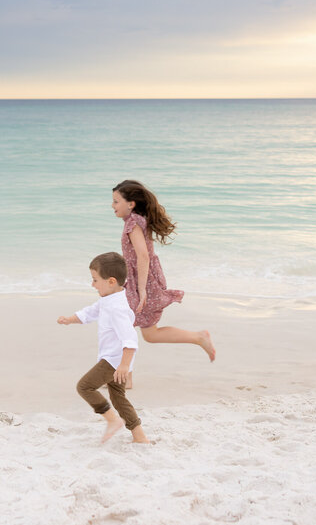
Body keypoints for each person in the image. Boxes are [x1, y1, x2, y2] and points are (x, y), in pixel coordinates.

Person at [112, 180, 215, 380]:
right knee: (149, 334)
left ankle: (125, 379)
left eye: (116, 201)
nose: (113, 206)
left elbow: (143, 255)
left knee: (122, 326)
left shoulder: (133, 223)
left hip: (142, 282)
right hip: (145, 279)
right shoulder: (138, 219)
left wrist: (141, 290)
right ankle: (198, 337)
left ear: (130, 204)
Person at [57, 252, 148, 444]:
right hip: (114, 359)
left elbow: (130, 339)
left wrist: (124, 366)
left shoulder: (117, 308)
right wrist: (69, 320)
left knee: (84, 386)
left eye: (95, 280)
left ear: (111, 281)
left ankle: (112, 420)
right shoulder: (108, 300)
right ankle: (140, 437)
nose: (93, 284)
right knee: (118, 399)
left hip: (114, 361)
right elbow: (90, 312)